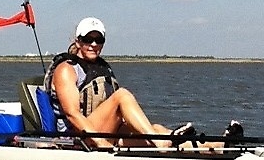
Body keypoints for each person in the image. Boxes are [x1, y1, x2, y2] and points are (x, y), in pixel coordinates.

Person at [45, 17, 197, 148]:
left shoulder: (101, 67)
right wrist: (101, 143)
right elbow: (73, 114)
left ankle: (213, 147)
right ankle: (160, 143)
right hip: (76, 137)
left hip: (104, 130)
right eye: (87, 39)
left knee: (156, 129)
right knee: (121, 95)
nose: (93, 44)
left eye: (99, 40)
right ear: (78, 42)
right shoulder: (66, 70)